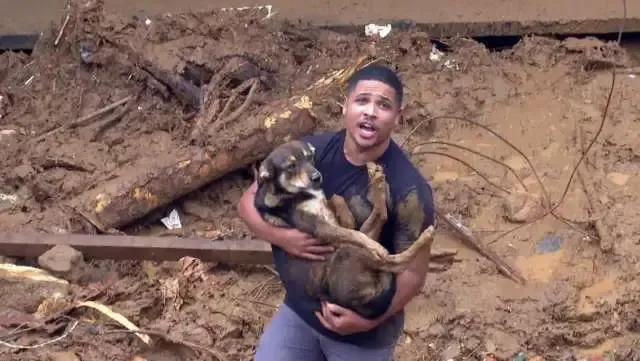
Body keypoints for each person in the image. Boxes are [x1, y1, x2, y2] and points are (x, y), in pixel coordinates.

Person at [237, 64, 452, 361]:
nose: (371, 112)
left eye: (384, 105)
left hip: (362, 339)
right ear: (345, 106)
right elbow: (247, 202)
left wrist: (367, 322)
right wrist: (282, 238)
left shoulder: (409, 190)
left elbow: (414, 274)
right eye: (362, 101)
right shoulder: (308, 153)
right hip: (299, 314)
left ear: (399, 118)